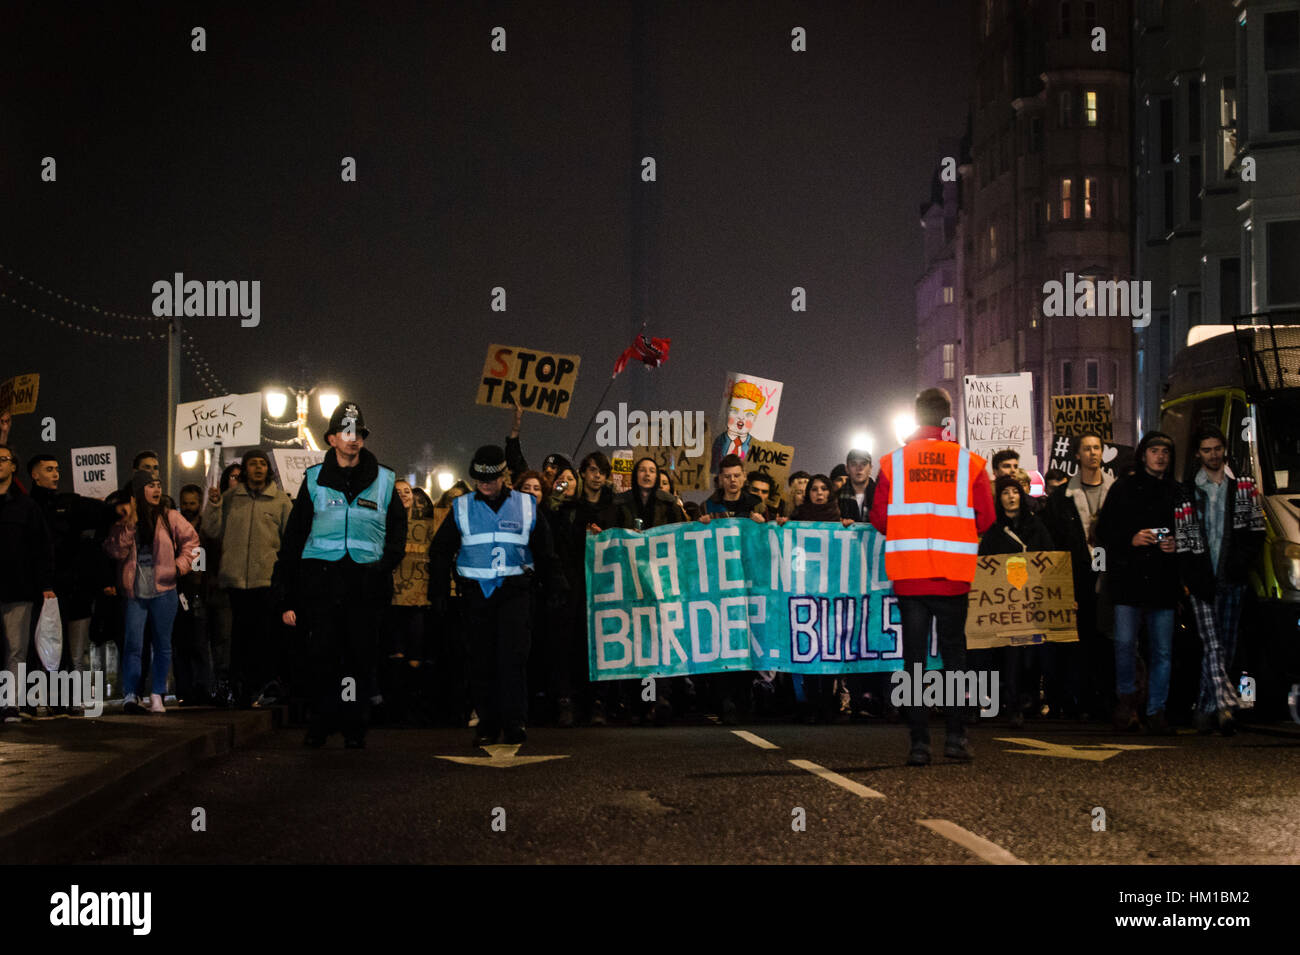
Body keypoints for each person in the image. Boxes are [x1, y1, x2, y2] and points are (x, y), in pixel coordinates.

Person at [870, 388, 995, 765]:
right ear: (946, 419)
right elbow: (986, 519)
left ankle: (918, 744)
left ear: (915, 416)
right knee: (955, 657)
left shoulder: (892, 463)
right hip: (953, 575)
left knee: (915, 659)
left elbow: (878, 519)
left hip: (910, 576)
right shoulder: (971, 463)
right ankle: (955, 738)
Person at [273, 402, 407, 748]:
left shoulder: (385, 479)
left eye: (359, 433)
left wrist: (382, 568)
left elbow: (397, 533)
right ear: (332, 438)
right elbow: (295, 536)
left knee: (359, 658)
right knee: (323, 656)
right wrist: (287, 590)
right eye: (347, 433)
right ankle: (322, 720)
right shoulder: (315, 479)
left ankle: (353, 724)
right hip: (322, 581)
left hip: (366, 582)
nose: (354, 439)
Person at [428, 445, 565, 746]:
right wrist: (437, 591)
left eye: (490, 479)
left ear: (503, 476)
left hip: (515, 593)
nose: (485, 485)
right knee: (481, 661)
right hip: (476, 596)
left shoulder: (527, 506)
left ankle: (515, 722)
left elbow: (545, 551)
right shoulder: (462, 507)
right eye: (479, 480)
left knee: (513, 659)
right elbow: (439, 551)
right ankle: (488, 724)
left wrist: (555, 586)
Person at [1178, 425, 1265, 736]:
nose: (1213, 454)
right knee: (1212, 644)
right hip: (1201, 579)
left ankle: (1205, 710)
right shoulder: (1187, 490)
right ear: (1198, 454)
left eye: (1217, 448)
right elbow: (1183, 536)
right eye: (1206, 449)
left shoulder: (1242, 487)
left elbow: (1256, 531)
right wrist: (1189, 575)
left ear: (1224, 450)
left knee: (1224, 646)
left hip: (1232, 577)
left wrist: (1241, 564)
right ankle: (1227, 707)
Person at [1097, 431, 1182, 734]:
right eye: (1155, 450)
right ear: (1144, 454)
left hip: (1163, 582)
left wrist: (1176, 544)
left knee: (1162, 650)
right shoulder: (1124, 488)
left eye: (1165, 452)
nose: (1160, 456)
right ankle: (1127, 702)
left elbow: (1190, 531)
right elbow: (1103, 531)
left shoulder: (1177, 491)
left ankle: (1156, 709)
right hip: (1128, 581)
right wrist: (1130, 539)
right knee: (1123, 644)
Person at [202, 448, 293, 708]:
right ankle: (240, 690)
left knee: (262, 638)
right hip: (234, 581)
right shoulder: (230, 498)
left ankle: (261, 686)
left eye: (262, 464)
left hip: (266, 582)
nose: (258, 468)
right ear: (245, 469)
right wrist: (214, 504)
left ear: (268, 469)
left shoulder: (281, 501)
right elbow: (210, 530)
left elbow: (289, 543)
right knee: (237, 639)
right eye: (252, 464)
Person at [103, 470, 200, 714]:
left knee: (163, 644)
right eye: (150, 486)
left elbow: (192, 542)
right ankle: (131, 694)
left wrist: (180, 566)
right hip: (135, 591)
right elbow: (115, 551)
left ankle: (157, 694)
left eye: (158, 485)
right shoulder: (125, 520)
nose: (157, 490)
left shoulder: (170, 517)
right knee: (133, 643)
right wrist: (129, 525)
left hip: (165, 588)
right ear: (137, 492)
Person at [603, 457, 690, 724]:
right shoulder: (619, 503)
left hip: (661, 583)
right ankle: (637, 703)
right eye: (642, 470)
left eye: (652, 470)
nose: (647, 474)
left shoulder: (668, 503)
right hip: (630, 582)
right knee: (636, 642)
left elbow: (682, 535)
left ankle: (658, 699)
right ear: (635, 475)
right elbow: (610, 533)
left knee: (659, 642)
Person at [1040, 431, 1114, 719]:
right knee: (1078, 641)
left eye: (1097, 448)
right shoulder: (1062, 497)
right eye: (1087, 448)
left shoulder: (1116, 490)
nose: (1093, 453)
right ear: (1078, 455)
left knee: (1106, 638)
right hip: (1077, 574)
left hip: (1108, 574)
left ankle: (1105, 699)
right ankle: (1078, 700)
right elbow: (1054, 544)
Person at [27, 453, 107, 713]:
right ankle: (50, 700)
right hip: (49, 589)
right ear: (34, 475)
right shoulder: (30, 507)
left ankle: (73, 700)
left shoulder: (68, 504)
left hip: (75, 589)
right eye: (49, 469)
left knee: (75, 651)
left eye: (57, 469)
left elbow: (103, 515)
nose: (55, 474)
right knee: (50, 648)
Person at [974, 474, 1055, 726]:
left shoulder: (1036, 526)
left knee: (1025, 656)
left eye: (1015, 492)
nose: (1011, 496)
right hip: (1003, 604)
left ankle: (1023, 701)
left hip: (1030, 602)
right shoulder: (993, 530)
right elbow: (984, 565)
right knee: (1006, 654)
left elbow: (1050, 559)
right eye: (1005, 492)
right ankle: (1008, 704)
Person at [0, 443, 55, 722]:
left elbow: (41, 549)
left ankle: (10, 704)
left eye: (4, 459)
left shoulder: (26, 506)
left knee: (16, 649)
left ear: (13, 467)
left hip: (18, 589)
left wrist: (44, 584)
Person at [386, 481, 436, 725]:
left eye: (407, 491)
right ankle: (396, 706)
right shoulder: (384, 521)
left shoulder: (427, 525)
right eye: (398, 492)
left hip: (417, 598)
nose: (404, 495)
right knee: (395, 649)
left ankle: (413, 704)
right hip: (391, 598)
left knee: (416, 649)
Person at [171, 484, 214, 706]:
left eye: (192, 503)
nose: (188, 508)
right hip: (179, 591)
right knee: (181, 644)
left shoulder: (205, 529)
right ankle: (185, 689)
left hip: (198, 592)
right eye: (185, 503)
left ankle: (202, 688)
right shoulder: (175, 529)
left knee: (198, 643)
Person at [711, 380, 765, 473]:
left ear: (755, 418)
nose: (741, 417)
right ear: (727, 412)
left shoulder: (756, 447)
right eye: (735, 411)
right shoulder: (718, 441)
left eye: (748, 414)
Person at [701, 455, 765, 522]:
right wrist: (701, 525)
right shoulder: (707, 507)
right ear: (720, 478)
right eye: (727, 476)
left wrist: (762, 523)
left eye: (737, 476)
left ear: (744, 476)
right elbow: (695, 529)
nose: (732, 480)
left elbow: (771, 529)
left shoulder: (757, 505)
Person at [838, 449, 876, 523]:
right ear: (847, 469)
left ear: (870, 468)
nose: (859, 468)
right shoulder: (836, 498)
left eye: (864, 464)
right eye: (854, 464)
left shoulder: (883, 497)